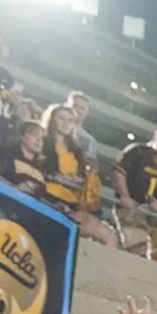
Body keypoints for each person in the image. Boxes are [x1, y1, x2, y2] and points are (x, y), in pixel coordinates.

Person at [38, 103, 117, 249]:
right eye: (61, 118)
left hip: (74, 204)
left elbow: (81, 180)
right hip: (48, 198)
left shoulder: (77, 150)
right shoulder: (43, 142)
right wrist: (63, 179)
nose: (65, 123)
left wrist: (69, 179)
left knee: (109, 236)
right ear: (51, 119)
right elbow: (45, 172)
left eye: (70, 120)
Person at [114, 124, 157, 262]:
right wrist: (124, 196)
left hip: (153, 212)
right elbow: (120, 172)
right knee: (137, 250)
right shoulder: (138, 152)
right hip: (133, 207)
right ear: (154, 140)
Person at [0, 119, 49, 197]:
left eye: (42, 138)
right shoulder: (6, 155)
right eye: (35, 135)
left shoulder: (42, 169)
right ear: (23, 137)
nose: (39, 140)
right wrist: (14, 187)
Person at [65, 90, 99, 165]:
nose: (78, 110)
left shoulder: (90, 141)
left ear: (87, 112)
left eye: (83, 108)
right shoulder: (53, 127)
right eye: (75, 106)